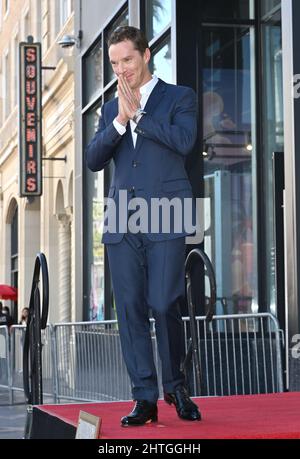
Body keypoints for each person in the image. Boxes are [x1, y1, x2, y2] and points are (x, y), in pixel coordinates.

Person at [86, 26, 201, 426]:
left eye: (127, 61)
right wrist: (119, 121)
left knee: (164, 301)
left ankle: (176, 386)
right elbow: (93, 159)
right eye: (115, 63)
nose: (121, 70)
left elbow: (185, 141)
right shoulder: (109, 108)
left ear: (146, 55)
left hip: (168, 211)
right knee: (131, 309)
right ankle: (144, 397)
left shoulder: (179, 97)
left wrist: (141, 117)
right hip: (122, 217)